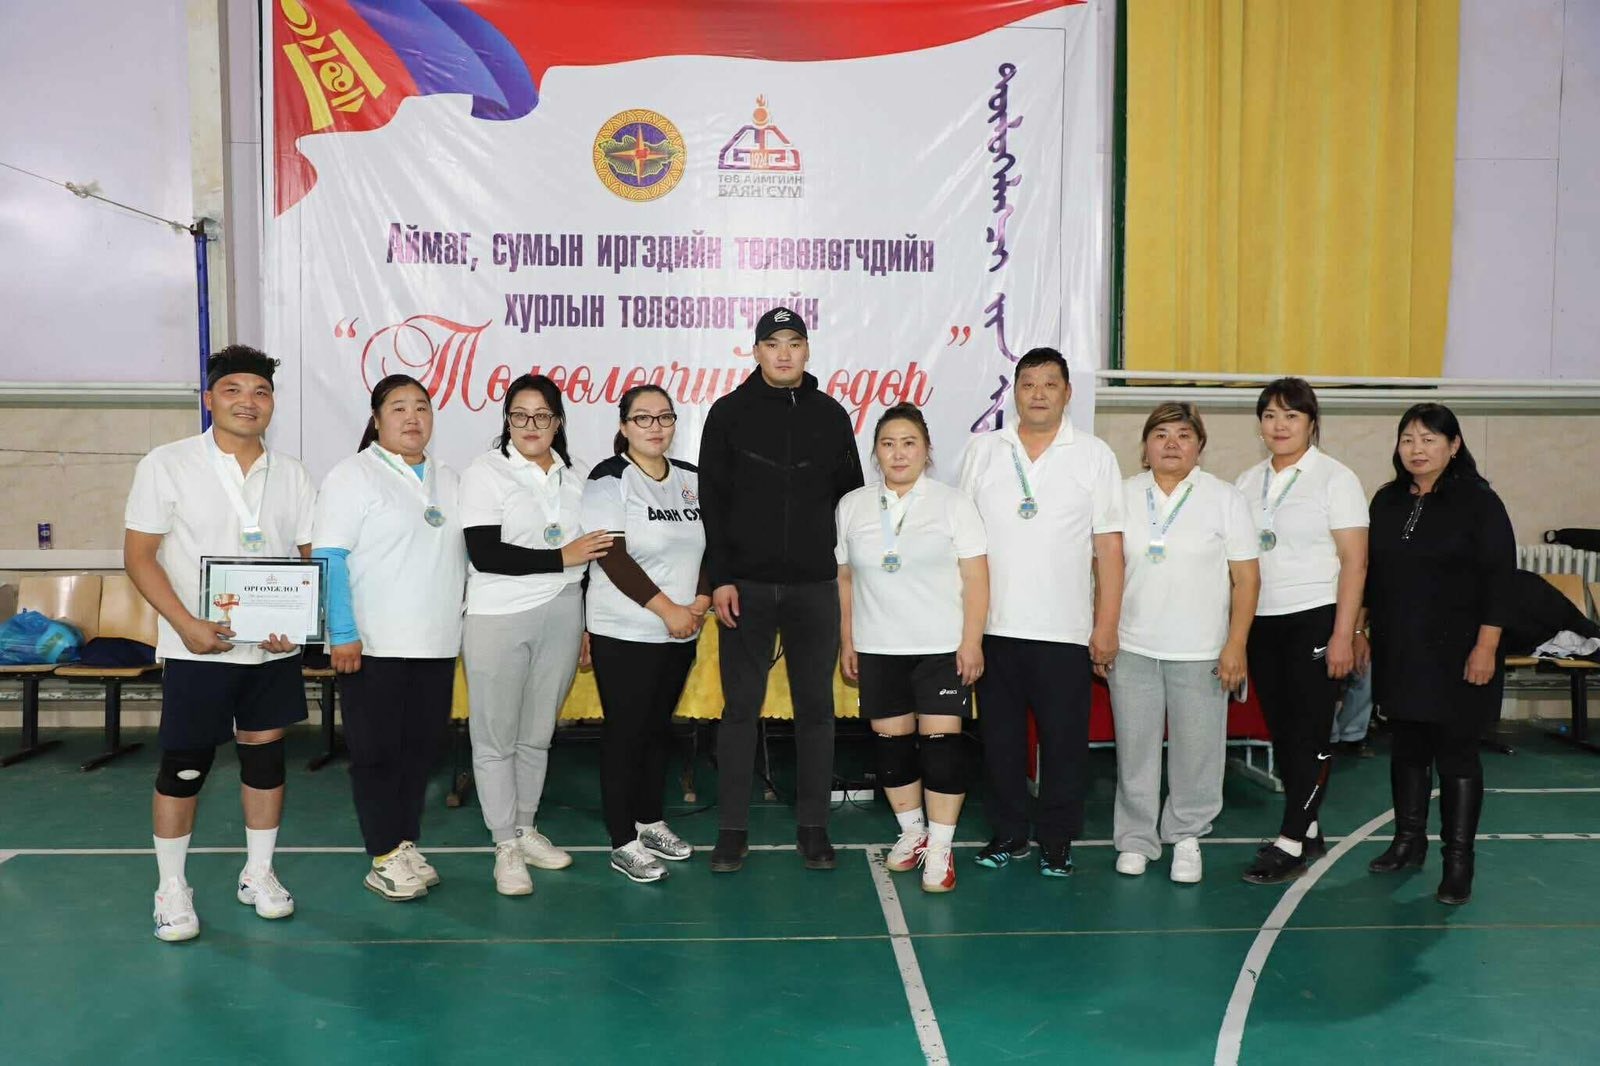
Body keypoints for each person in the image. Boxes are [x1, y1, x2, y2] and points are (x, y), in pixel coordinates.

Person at [124, 345, 317, 942]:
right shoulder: (168, 463)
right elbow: (139, 556)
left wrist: (300, 623)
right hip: (196, 647)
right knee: (185, 765)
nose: (248, 402)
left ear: (273, 403)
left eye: (260, 392)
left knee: (265, 757)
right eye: (233, 390)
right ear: (210, 399)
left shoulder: (293, 473)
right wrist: (185, 623)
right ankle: (171, 887)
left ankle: (259, 873)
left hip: (271, 650)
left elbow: (307, 556)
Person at [698, 306, 864, 872]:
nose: (784, 353)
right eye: (773, 343)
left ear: (807, 350)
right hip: (744, 587)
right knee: (740, 712)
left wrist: (845, 576)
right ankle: (731, 832)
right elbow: (712, 504)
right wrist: (721, 577)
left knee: (816, 711)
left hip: (814, 587)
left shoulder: (831, 415)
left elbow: (851, 500)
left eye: (794, 342)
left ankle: (814, 829)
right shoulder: (728, 414)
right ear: (756, 352)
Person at [957, 347, 1124, 877]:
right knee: (1000, 744)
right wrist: (966, 630)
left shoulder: (1094, 455)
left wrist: (1106, 626)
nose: (1038, 394)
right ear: (1015, 392)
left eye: (1050, 384)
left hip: (1065, 630)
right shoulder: (984, 450)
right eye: (1028, 384)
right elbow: (962, 544)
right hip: (994, 628)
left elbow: (1110, 548)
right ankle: (1008, 833)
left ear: (1067, 392)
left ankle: (1057, 839)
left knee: (1064, 745)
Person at [312, 375, 467, 901]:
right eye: (398, 408)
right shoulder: (352, 475)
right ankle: (382, 855)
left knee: (421, 752)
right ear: (376, 419)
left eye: (421, 407)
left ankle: (404, 843)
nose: (412, 417)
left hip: (437, 643)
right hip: (373, 645)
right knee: (376, 754)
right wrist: (343, 633)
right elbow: (330, 557)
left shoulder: (449, 478)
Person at [458, 375, 611, 896]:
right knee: (495, 737)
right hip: (499, 615)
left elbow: (590, 558)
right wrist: (559, 557)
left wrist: (584, 618)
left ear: (558, 421)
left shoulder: (577, 475)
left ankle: (525, 828)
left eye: (542, 415)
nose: (530, 425)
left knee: (537, 733)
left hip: (563, 611)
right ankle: (504, 844)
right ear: (507, 420)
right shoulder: (485, 472)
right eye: (519, 415)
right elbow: (485, 553)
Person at [1363, 403, 1513, 905]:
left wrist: (1486, 646)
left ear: (1454, 445)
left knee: (1457, 756)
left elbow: (1500, 579)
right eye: (1408, 439)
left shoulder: (1479, 502)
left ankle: (1458, 863)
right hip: (1400, 648)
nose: (1417, 449)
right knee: (1406, 747)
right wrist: (1361, 628)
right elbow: (1371, 574)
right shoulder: (1387, 501)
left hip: (1460, 652)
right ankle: (1408, 842)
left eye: (1429, 439)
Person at [837, 404, 988, 893]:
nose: (898, 453)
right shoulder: (853, 505)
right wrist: (848, 639)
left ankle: (941, 848)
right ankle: (913, 833)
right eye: (888, 444)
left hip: (942, 648)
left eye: (909, 443)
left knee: (942, 750)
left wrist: (971, 641)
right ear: (876, 453)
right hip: (879, 646)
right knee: (892, 749)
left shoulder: (954, 504)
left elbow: (976, 578)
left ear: (927, 451)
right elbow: (845, 578)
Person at [1109, 403, 1259, 884]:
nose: (1171, 444)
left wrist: (1235, 644)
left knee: (1198, 752)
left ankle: (1187, 836)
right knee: (1135, 751)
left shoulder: (1225, 498)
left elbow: (1247, 578)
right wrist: (1103, 631)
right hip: (1132, 646)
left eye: (1183, 435)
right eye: (1161, 434)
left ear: (1199, 446)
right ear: (1145, 446)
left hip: (1201, 650)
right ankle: (1135, 839)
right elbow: (1102, 570)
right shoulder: (1121, 495)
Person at [1234, 377, 1368, 885]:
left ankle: (1290, 840)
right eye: (1270, 415)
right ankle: (1308, 828)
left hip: (1315, 615)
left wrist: (1343, 633)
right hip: (1262, 621)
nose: (1279, 425)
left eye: (1291, 415)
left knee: (1310, 732)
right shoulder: (1248, 481)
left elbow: (1355, 563)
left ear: (1312, 423)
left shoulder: (1335, 478)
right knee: (1284, 732)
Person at [583, 385, 712, 883]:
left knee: (658, 729)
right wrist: (666, 609)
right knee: (626, 733)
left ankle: (650, 821)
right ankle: (622, 840)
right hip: (625, 630)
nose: (655, 427)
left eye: (664, 417)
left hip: (680, 630)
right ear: (624, 426)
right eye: (642, 418)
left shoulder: (691, 479)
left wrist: (700, 600)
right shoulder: (609, 478)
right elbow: (611, 555)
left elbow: (712, 546)